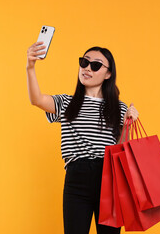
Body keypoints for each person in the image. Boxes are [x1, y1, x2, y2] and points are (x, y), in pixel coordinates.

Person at [26, 41, 139, 234]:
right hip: (77, 177)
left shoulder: (118, 108)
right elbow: (36, 99)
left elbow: (122, 149)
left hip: (109, 179)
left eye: (95, 65)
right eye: (84, 62)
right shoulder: (67, 102)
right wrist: (30, 67)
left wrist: (129, 121)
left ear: (108, 74)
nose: (87, 68)